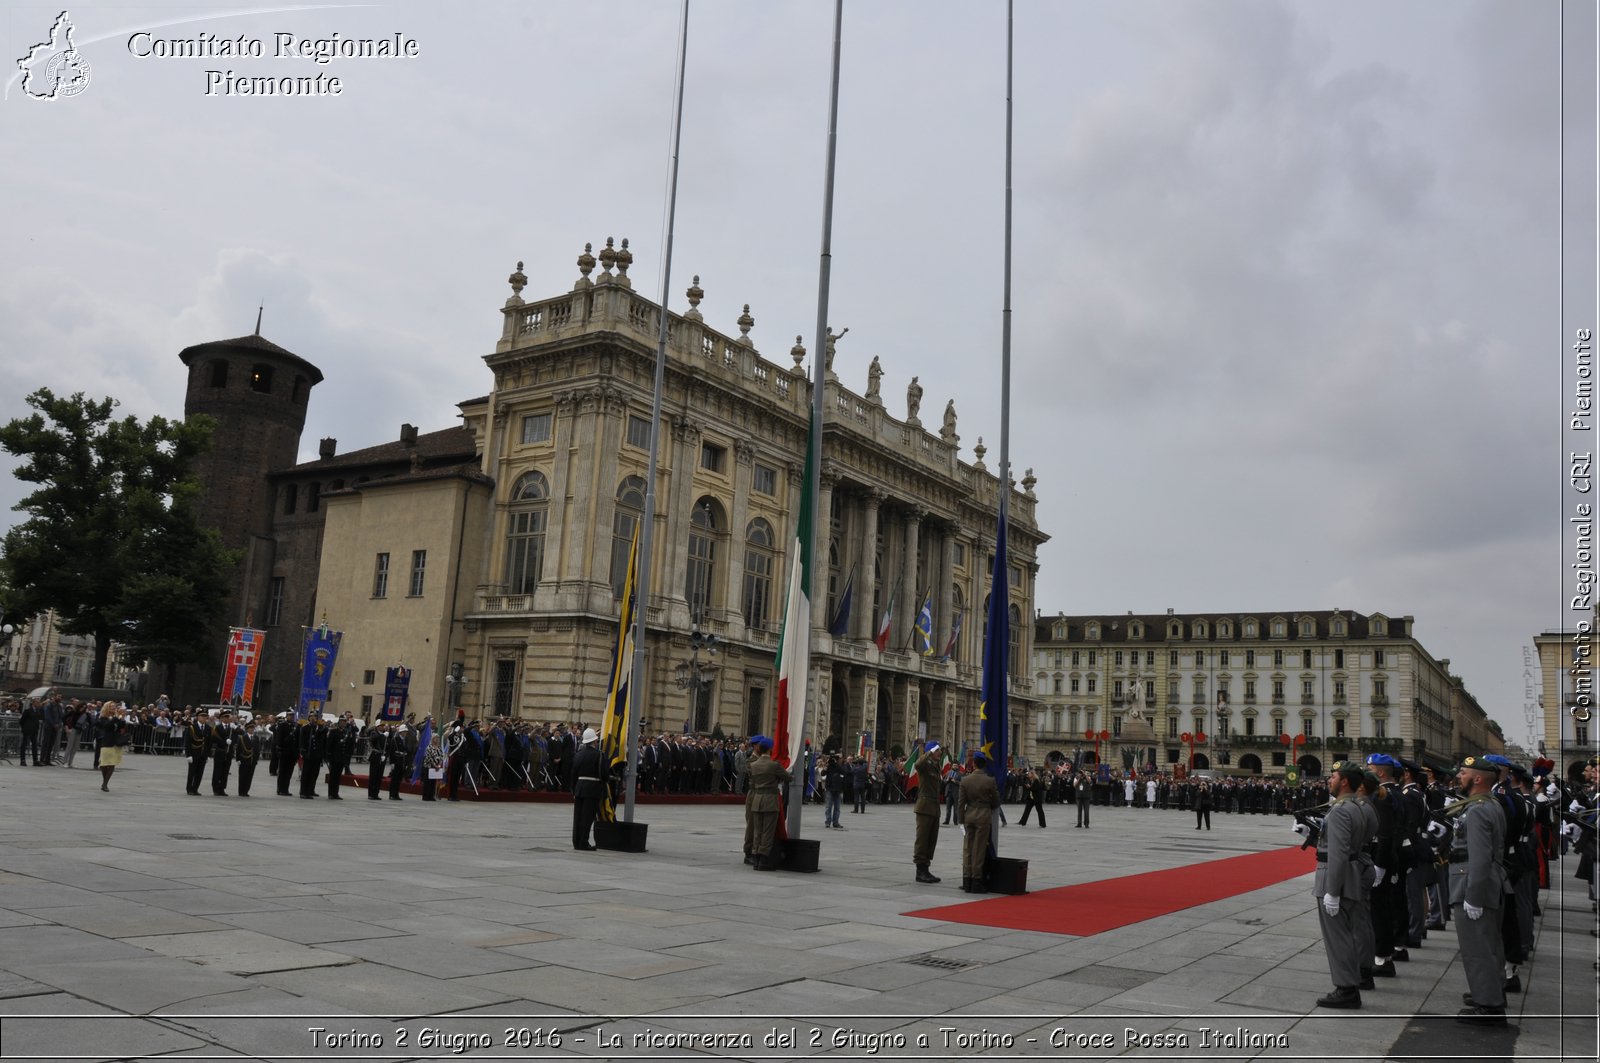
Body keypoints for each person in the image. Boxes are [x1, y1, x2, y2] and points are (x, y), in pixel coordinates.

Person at [1450, 754, 1510, 1025]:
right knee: (1490, 943)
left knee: (1477, 946)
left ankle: (1489, 1005)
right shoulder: (1489, 804)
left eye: (1463, 773)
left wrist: (1472, 897)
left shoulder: (1477, 810)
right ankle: (1491, 991)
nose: (1458, 777)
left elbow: (1479, 857)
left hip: (1472, 882)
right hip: (1486, 880)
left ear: (1477, 778)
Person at [1314, 761, 1371, 1009]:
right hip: (1351, 872)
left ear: (1344, 781)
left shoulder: (1339, 810)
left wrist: (1332, 892)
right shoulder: (1356, 807)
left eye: (1334, 776)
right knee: (1346, 934)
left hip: (1334, 876)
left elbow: (1337, 853)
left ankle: (1346, 989)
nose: (1330, 780)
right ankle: (1349, 985)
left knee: (1338, 938)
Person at [743, 736, 791, 870]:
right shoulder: (751, 760)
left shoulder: (763, 761)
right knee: (752, 826)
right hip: (754, 795)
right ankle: (749, 852)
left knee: (760, 828)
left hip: (761, 795)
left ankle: (757, 853)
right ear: (756, 746)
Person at [957, 750, 1001, 893]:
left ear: (974, 763)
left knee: (967, 849)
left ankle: (966, 880)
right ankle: (976, 881)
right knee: (979, 849)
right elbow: (996, 801)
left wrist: (960, 820)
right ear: (984, 764)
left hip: (969, 815)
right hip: (983, 816)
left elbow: (960, 803)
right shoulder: (990, 781)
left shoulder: (965, 780)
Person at [911, 740, 943, 883]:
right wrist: (928, 752)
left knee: (931, 840)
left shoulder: (936, 766)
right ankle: (920, 871)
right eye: (937, 750)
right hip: (924, 807)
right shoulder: (924, 765)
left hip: (934, 808)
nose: (940, 753)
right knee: (922, 840)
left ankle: (926, 869)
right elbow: (917, 764)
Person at [571, 727, 603, 850]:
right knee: (587, 817)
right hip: (592, 788)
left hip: (579, 787)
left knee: (578, 817)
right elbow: (603, 773)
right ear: (594, 741)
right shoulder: (598, 754)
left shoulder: (578, 754)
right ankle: (584, 842)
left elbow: (573, 773)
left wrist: (574, 789)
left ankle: (576, 842)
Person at [94, 702, 129, 791]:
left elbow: (122, 726)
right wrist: (115, 718)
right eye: (112, 707)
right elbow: (106, 726)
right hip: (106, 742)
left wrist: (122, 717)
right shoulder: (103, 718)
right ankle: (104, 781)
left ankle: (105, 784)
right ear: (107, 708)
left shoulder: (116, 717)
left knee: (112, 764)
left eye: (114, 707)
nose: (114, 708)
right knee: (103, 764)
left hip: (116, 742)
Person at [822, 754, 846, 829]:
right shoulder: (829, 766)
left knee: (837, 807)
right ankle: (828, 822)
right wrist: (827, 765)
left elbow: (843, 771)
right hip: (829, 788)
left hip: (838, 789)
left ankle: (836, 822)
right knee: (828, 807)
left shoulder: (839, 766)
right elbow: (822, 773)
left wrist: (836, 763)